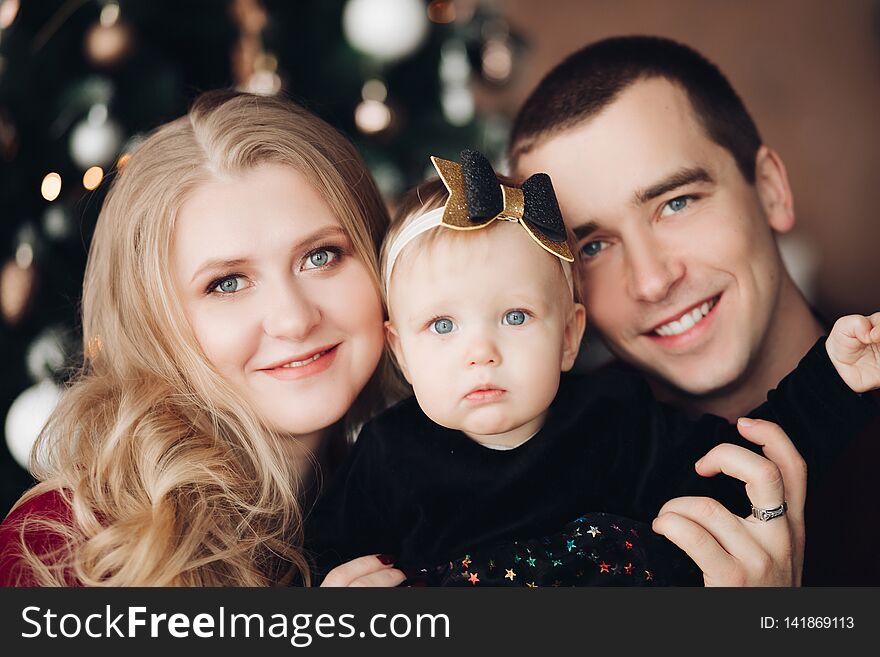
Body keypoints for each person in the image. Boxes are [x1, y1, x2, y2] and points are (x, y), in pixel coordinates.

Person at [303, 150, 879, 586]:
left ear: (570, 337)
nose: (480, 352)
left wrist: (834, 380)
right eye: (443, 326)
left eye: (516, 316)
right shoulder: (386, 456)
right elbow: (312, 563)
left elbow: (743, 467)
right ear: (401, 352)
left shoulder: (616, 420)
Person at [507, 35, 880, 585]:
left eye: (675, 203)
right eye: (592, 246)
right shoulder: (542, 474)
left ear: (772, 190)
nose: (654, 281)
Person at [0, 90, 406, 587]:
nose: (295, 319)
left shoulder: (423, 498)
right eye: (228, 283)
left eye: (321, 256)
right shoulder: (63, 545)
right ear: (155, 324)